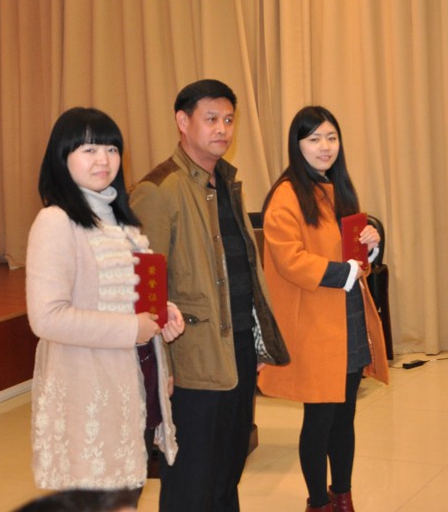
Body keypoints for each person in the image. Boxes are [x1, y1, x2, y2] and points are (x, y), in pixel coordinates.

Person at [130, 79, 290, 512]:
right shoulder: (158, 190)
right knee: (190, 480)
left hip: (236, 347)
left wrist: (255, 339)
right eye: (212, 119)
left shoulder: (226, 182)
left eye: (229, 120)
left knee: (227, 472)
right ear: (183, 122)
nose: (222, 129)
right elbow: (145, 289)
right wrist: (161, 365)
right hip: (190, 359)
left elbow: (242, 270)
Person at [26, 107, 185, 493]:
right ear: (62, 157)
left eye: (111, 149)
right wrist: (132, 328)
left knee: (129, 492)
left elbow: (129, 297)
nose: (103, 159)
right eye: (89, 149)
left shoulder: (120, 220)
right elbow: (46, 317)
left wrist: (162, 312)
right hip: (90, 391)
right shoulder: (56, 221)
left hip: (134, 383)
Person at [257, 106, 390, 512]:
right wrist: (342, 272)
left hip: (346, 316)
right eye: (314, 139)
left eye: (331, 137)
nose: (325, 147)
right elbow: (289, 259)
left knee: (345, 415)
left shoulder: (338, 187)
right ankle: (317, 503)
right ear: (297, 145)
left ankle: (343, 496)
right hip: (315, 323)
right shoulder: (286, 195)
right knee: (319, 418)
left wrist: (370, 245)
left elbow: (352, 255)